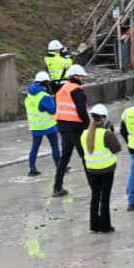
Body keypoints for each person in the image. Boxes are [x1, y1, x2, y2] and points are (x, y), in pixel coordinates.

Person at [82, 104, 122, 234]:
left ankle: (94, 225)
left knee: (95, 196)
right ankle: (105, 226)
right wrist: (111, 132)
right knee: (105, 197)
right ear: (104, 118)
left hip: (91, 169)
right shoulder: (107, 134)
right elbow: (117, 148)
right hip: (106, 169)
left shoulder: (84, 134)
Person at [52, 65, 90, 197]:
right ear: (75, 76)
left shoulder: (62, 89)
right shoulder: (76, 90)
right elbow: (82, 111)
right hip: (76, 127)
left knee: (64, 158)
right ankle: (94, 186)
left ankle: (57, 188)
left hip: (62, 126)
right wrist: (88, 126)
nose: (83, 78)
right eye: (81, 76)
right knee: (86, 157)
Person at [25, 72, 61, 177]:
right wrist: (54, 101)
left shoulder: (30, 94)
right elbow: (52, 110)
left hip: (35, 126)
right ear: (45, 82)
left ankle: (32, 168)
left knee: (35, 147)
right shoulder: (44, 96)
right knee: (54, 146)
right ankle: (59, 166)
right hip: (48, 126)